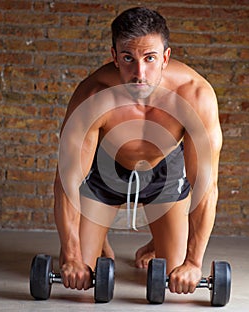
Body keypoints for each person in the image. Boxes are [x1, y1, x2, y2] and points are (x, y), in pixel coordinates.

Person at [54, 7, 222, 295]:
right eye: (129, 58)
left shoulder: (194, 95)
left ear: (166, 57)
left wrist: (194, 263)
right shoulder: (93, 95)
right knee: (81, 269)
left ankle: (158, 238)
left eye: (150, 58)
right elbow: (66, 182)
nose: (139, 73)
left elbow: (206, 186)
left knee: (174, 274)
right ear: (114, 56)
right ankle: (99, 232)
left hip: (164, 172)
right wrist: (71, 256)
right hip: (106, 167)